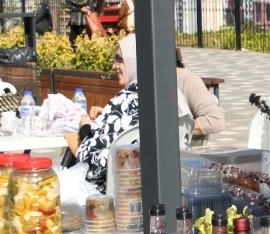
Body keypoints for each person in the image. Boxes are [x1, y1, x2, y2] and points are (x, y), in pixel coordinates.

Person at [72, 36, 223, 187]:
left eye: (119, 59)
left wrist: (86, 129)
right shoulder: (166, 91)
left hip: (127, 186)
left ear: (136, 60)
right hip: (166, 178)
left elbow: (216, 120)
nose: (114, 65)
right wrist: (112, 119)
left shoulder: (184, 80)